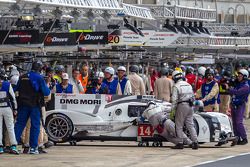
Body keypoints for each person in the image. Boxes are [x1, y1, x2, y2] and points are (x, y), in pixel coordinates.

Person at [15, 61, 50, 154]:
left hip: (22, 104)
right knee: (35, 126)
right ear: (39, 69)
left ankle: (13, 146)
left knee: (19, 125)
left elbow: (15, 89)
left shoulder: (22, 77)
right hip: (34, 105)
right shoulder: (39, 77)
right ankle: (33, 148)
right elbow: (46, 92)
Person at [170, 70, 198, 149]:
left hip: (182, 105)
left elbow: (174, 100)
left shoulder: (176, 86)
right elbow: (193, 96)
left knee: (179, 125)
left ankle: (180, 143)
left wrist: (172, 111)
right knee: (190, 124)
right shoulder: (188, 85)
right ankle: (195, 142)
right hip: (190, 105)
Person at [226, 69, 249, 145]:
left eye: (240, 76)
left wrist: (229, 88)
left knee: (239, 122)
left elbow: (237, 92)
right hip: (234, 105)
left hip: (240, 105)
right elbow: (232, 93)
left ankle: (244, 138)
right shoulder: (237, 84)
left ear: (245, 77)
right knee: (234, 123)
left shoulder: (246, 86)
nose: (238, 77)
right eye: (238, 76)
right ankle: (237, 138)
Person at [0, 69, 19, 154]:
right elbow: (13, 98)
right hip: (7, 108)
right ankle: (13, 146)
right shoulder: (7, 84)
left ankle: (0, 147)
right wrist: (15, 109)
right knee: (10, 127)